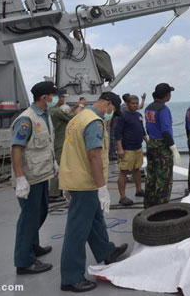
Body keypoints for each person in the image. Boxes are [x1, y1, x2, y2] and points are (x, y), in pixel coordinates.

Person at [59, 92, 128, 292]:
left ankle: (107, 251)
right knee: (77, 231)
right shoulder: (94, 122)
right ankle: (71, 278)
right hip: (85, 183)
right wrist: (102, 187)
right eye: (112, 111)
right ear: (108, 104)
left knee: (94, 219)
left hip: (75, 178)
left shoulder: (79, 117)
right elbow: (94, 155)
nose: (111, 115)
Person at [11, 81, 59, 275]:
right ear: (44, 97)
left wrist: (53, 162)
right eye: (53, 95)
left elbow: (46, 144)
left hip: (42, 175)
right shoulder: (27, 120)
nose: (56, 98)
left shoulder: (44, 116)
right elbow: (17, 149)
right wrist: (20, 178)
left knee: (41, 212)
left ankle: (33, 245)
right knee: (28, 219)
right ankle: (24, 261)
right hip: (29, 178)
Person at [144, 83, 181, 208]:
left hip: (151, 144)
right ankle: (161, 208)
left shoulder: (148, 108)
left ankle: (149, 206)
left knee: (151, 176)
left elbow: (148, 128)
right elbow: (165, 130)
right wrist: (173, 147)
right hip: (162, 146)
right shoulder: (163, 109)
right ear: (166, 95)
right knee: (164, 178)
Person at [114, 95, 148, 206]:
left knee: (137, 169)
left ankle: (139, 190)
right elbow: (117, 134)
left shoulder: (138, 115)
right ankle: (122, 196)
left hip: (137, 147)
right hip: (127, 149)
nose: (135, 105)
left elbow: (142, 131)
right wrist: (120, 149)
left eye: (136, 103)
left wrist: (148, 142)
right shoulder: (122, 117)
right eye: (133, 103)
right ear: (127, 104)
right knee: (123, 172)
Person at [48, 89, 80, 203]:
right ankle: (53, 194)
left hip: (55, 142)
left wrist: (75, 107)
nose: (63, 99)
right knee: (59, 168)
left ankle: (56, 191)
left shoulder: (51, 110)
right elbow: (73, 118)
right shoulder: (57, 111)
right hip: (59, 143)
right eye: (62, 97)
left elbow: (67, 115)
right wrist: (80, 108)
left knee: (57, 167)